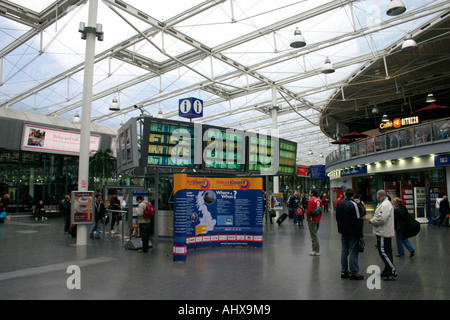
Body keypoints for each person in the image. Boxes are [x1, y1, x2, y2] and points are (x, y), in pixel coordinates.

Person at [336, 188, 364, 280]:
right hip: (352, 232)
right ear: (353, 195)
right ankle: (353, 272)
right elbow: (357, 220)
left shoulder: (339, 204)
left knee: (344, 251)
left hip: (343, 231)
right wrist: (360, 235)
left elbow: (337, 217)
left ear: (345, 194)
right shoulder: (354, 204)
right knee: (353, 251)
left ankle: (344, 271)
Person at [369, 190, 397, 280]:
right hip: (384, 231)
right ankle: (387, 269)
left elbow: (381, 219)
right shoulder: (384, 204)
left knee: (383, 251)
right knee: (387, 251)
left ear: (379, 196)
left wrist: (372, 221)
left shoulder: (385, 205)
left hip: (383, 232)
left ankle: (392, 270)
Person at [306, 189, 322, 256]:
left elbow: (309, 210)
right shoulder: (319, 200)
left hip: (312, 219)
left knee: (313, 235)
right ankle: (314, 249)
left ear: (312, 194)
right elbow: (321, 209)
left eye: (310, 192)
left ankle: (316, 250)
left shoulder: (310, 200)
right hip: (318, 218)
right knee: (314, 234)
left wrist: (308, 217)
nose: (309, 193)